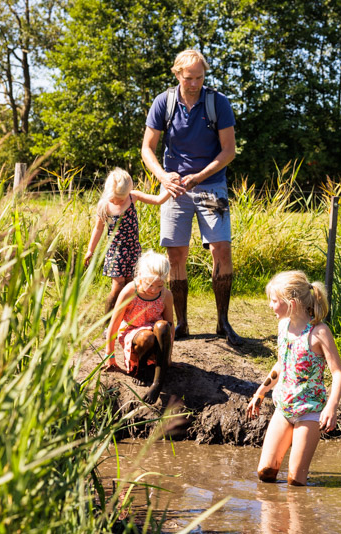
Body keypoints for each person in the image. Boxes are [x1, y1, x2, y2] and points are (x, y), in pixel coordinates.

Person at [141, 49, 242, 346]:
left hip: (211, 187)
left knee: (221, 249)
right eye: (189, 78)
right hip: (174, 188)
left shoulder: (217, 102)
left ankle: (223, 322)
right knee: (176, 255)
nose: (195, 82)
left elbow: (229, 150)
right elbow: (147, 148)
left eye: (200, 77)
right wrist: (163, 177)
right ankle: (181, 323)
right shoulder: (164, 102)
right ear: (177, 74)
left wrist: (200, 176)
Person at [246, 271, 341, 486]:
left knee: (295, 482)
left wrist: (331, 407)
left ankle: (299, 518)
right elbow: (282, 364)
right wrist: (260, 392)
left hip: (309, 412)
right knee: (265, 473)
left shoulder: (319, 333)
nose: (270, 306)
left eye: (274, 301)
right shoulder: (283, 326)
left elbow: (338, 373)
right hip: (283, 407)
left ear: (290, 303)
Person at [84, 168, 171, 326]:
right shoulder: (104, 206)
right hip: (115, 252)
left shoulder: (133, 197)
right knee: (118, 286)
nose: (118, 202)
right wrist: (90, 249)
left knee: (132, 286)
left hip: (133, 250)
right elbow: (98, 229)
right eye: (115, 199)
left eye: (122, 198)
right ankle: (108, 323)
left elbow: (158, 200)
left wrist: (171, 189)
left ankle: (127, 320)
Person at [104, 250, 174, 404]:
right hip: (133, 332)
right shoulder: (130, 291)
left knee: (163, 326)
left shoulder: (166, 295)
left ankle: (157, 382)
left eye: (159, 285)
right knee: (146, 337)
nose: (154, 290)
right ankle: (139, 370)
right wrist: (110, 356)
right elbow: (114, 324)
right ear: (140, 275)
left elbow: (170, 326)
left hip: (156, 333)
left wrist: (168, 356)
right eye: (150, 285)